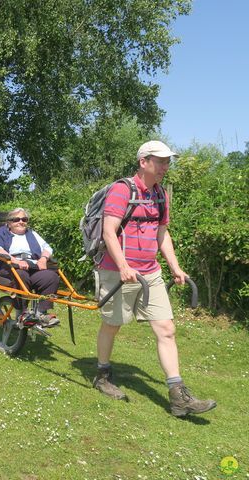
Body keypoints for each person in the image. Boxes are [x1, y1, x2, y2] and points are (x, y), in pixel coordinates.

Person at [93, 140, 216, 417]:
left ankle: (178, 396)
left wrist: (175, 266)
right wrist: (123, 265)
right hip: (117, 271)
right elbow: (109, 232)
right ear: (143, 162)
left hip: (151, 272)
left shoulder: (161, 195)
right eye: (160, 161)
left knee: (167, 329)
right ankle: (102, 374)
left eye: (167, 161)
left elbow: (162, 233)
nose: (165, 166)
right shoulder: (121, 190)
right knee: (112, 325)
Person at [0, 208, 60, 327]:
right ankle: (22, 313)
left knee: (51, 277)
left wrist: (43, 259)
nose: (21, 222)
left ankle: (41, 313)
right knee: (21, 275)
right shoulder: (3, 232)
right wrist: (16, 261)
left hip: (33, 265)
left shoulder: (31, 233)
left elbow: (47, 247)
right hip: (10, 266)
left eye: (24, 219)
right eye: (16, 219)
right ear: (9, 223)